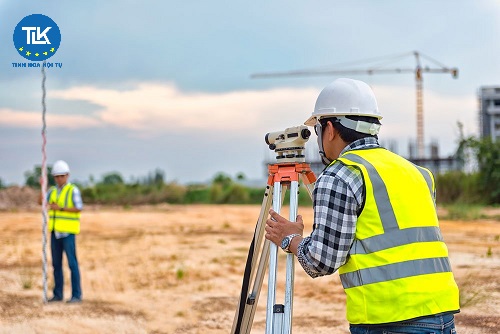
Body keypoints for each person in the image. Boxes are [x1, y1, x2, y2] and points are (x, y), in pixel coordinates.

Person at [265, 78, 460, 333]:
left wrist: (290, 238)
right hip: (442, 314)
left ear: (331, 129)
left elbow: (321, 261)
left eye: (319, 129)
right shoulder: (417, 173)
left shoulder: (340, 175)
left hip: (389, 321)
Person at [46, 160, 83, 303]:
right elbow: (41, 202)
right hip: (55, 232)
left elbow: (79, 207)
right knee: (56, 265)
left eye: (61, 175)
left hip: (68, 233)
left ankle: (76, 295)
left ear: (67, 175)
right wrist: (41, 186)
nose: (59, 178)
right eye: (56, 176)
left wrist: (60, 208)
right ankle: (58, 294)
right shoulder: (52, 191)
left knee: (72, 264)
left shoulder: (73, 190)